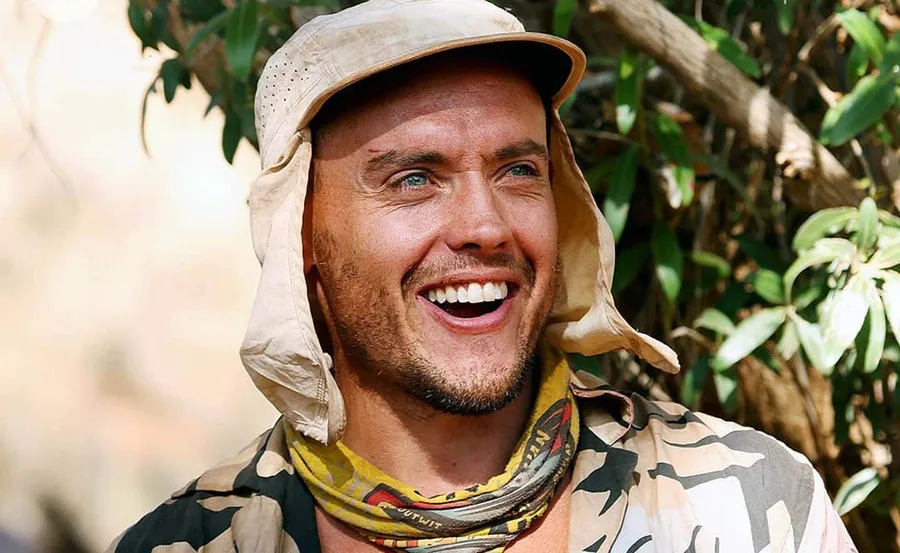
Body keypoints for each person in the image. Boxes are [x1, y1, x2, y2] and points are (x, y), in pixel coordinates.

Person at [106, 0, 857, 551]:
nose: (486, 225)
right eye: (412, 179)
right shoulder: (192, 543)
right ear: (300, 231)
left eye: (518, 170)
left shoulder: (749, 509)